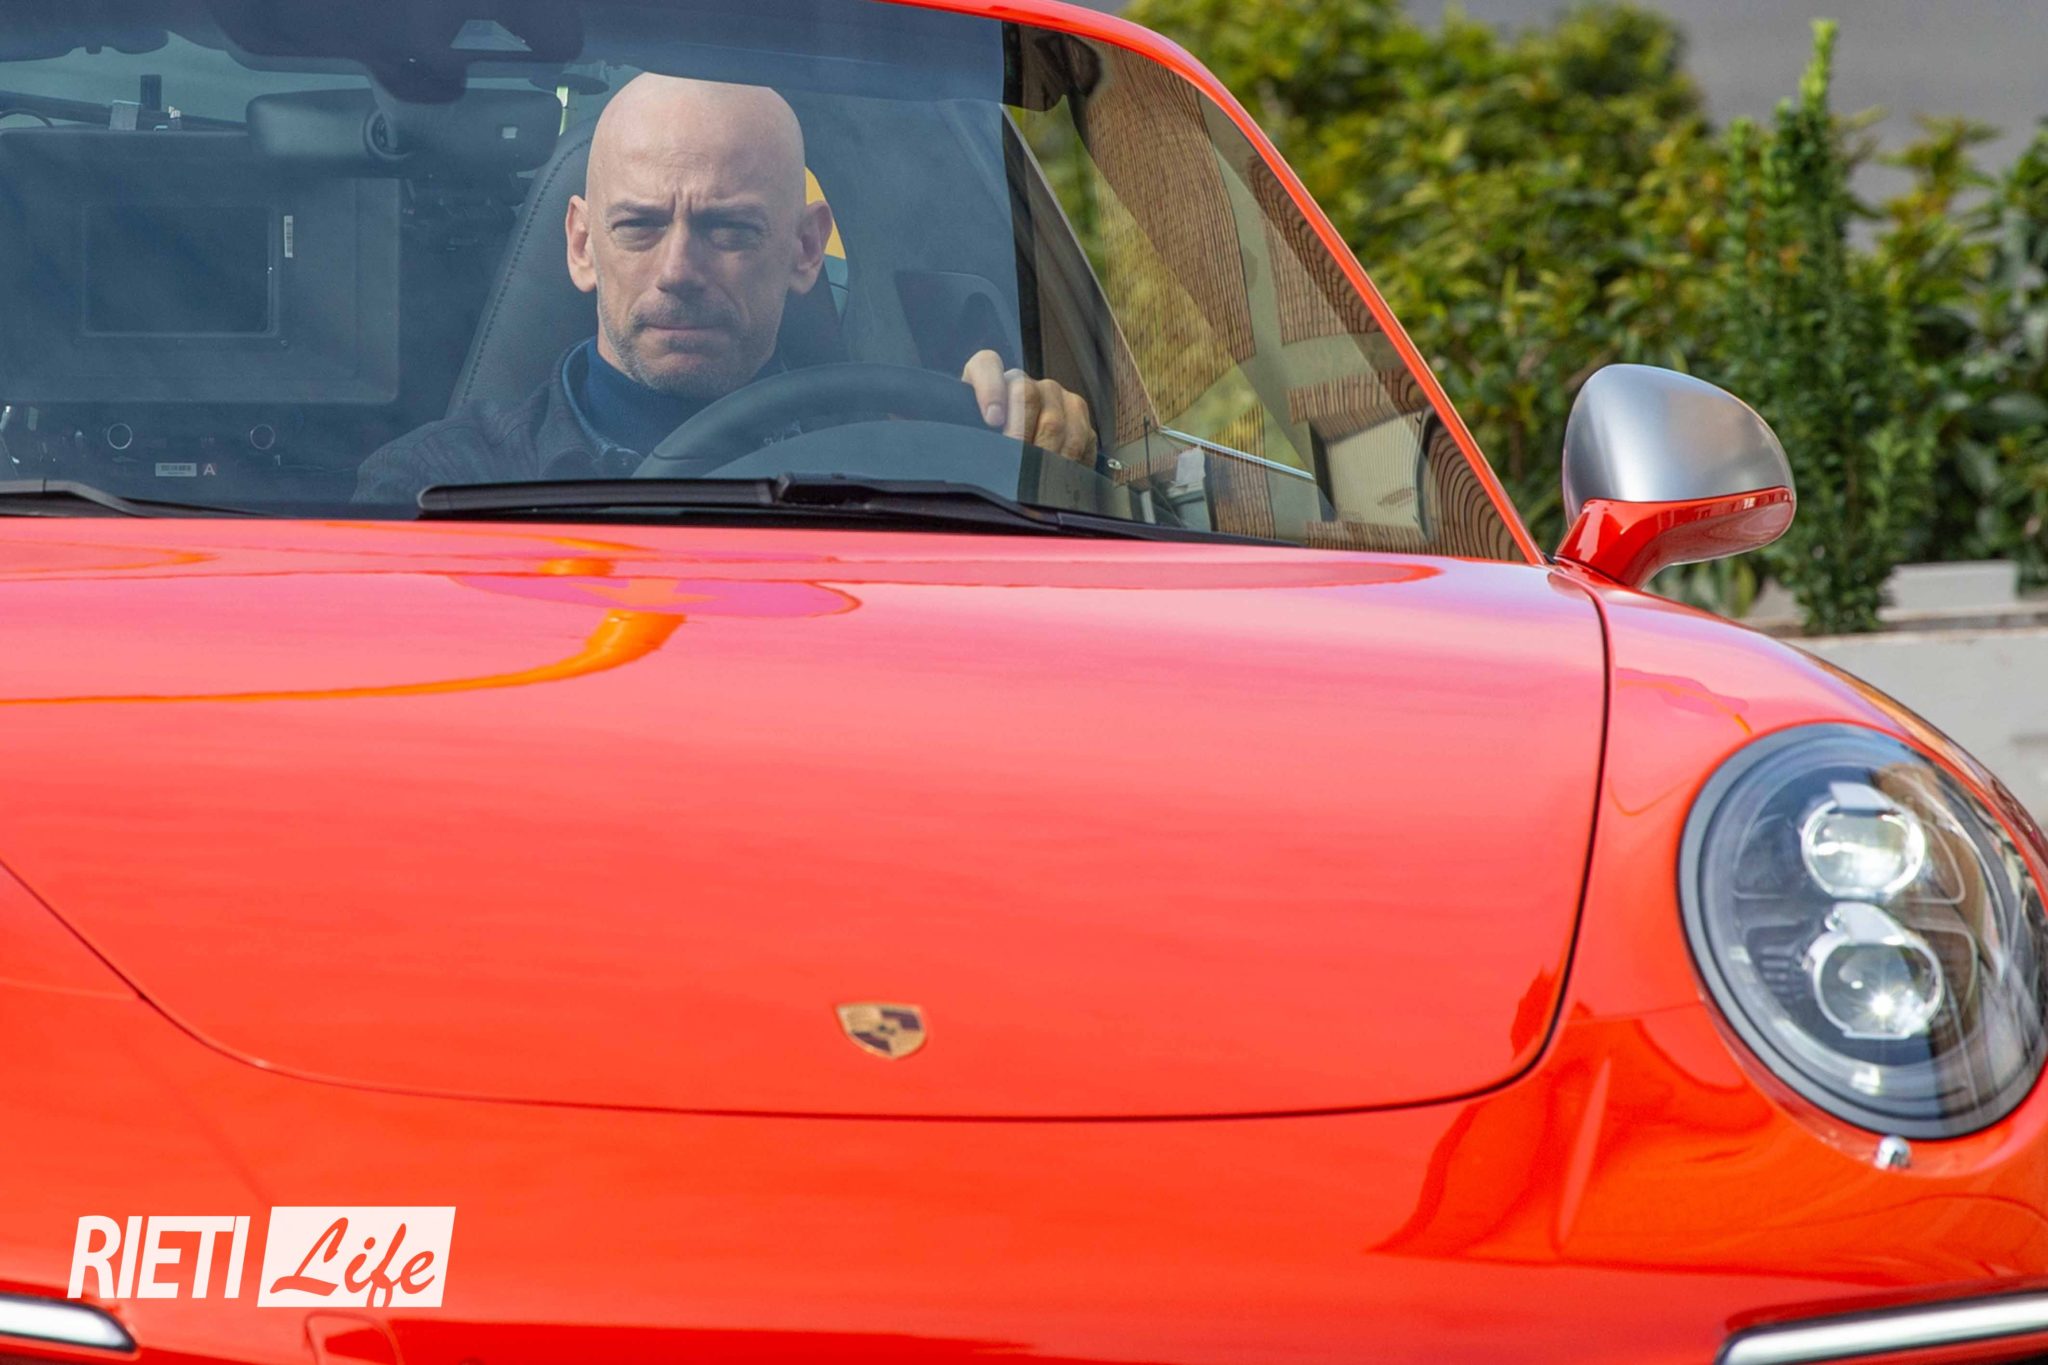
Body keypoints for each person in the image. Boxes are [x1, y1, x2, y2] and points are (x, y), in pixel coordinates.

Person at [355, 74, 1095, 505]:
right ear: (581, 245)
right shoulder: (437, 490)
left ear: (804, 248)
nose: (678, 270)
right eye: (639, 225)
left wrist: (1033, 451)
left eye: (730, 229)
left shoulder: (905, 469)